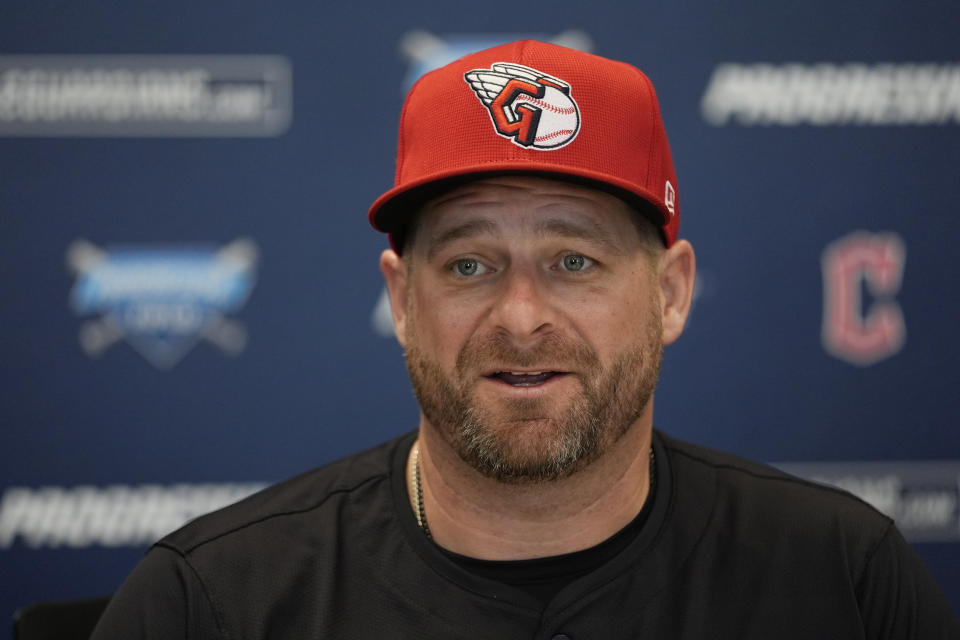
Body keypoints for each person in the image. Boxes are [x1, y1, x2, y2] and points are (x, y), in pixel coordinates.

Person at [92, 40, 959, 639]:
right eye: (468, 266)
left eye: (574, 259)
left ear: (670, 293)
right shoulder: (210, 602)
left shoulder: (843, 580)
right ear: (401, 299)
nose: (519, 317)